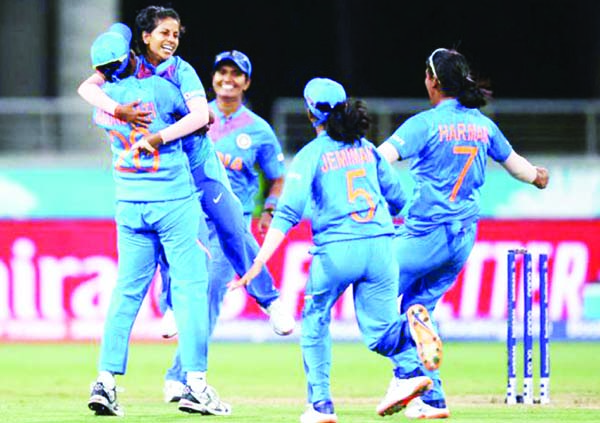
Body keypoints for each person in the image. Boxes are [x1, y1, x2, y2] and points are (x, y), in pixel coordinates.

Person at [77, 5, 294, 402]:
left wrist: (134, 121)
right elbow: (197, 117)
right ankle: (182, 333)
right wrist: (139, 119)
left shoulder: (178, 71)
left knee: (232, 230)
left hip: (197, 172)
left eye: (176, 34)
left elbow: (198, 115)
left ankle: (271, 299)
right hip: (175, 181)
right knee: (187, 257)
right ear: (140, 41)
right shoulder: (142, 81)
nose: (171, 40)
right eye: (164, 32)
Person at [230, 77, 443, 423]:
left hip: (338, 251)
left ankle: (321, 405)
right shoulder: (368, 149)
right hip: (380, 247)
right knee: (380, 333)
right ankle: (409, 339)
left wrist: (257, 264)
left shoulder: (311, 155)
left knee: (315, 320)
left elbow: (287, 213)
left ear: (310, 111)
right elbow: (400, 200)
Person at [377, 47, 550, 419]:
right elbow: (520, 169)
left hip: (424, 233)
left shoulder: (424, 124)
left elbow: (379, 159)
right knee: (418, 309)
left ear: (433, 81)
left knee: (374, 295)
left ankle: (404, 373)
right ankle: (432, 399)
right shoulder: (483, 125)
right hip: (462, 238)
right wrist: (538, 175)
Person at [84, 28, 230, 416]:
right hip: (173, 202)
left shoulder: (106, 103)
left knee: (126, 294)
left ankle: (106, 381)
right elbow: (202, 121)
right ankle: (196, 385)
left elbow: (94, 97)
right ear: (134, 51)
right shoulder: (164, 92)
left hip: (130, 204)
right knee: (191, 289)